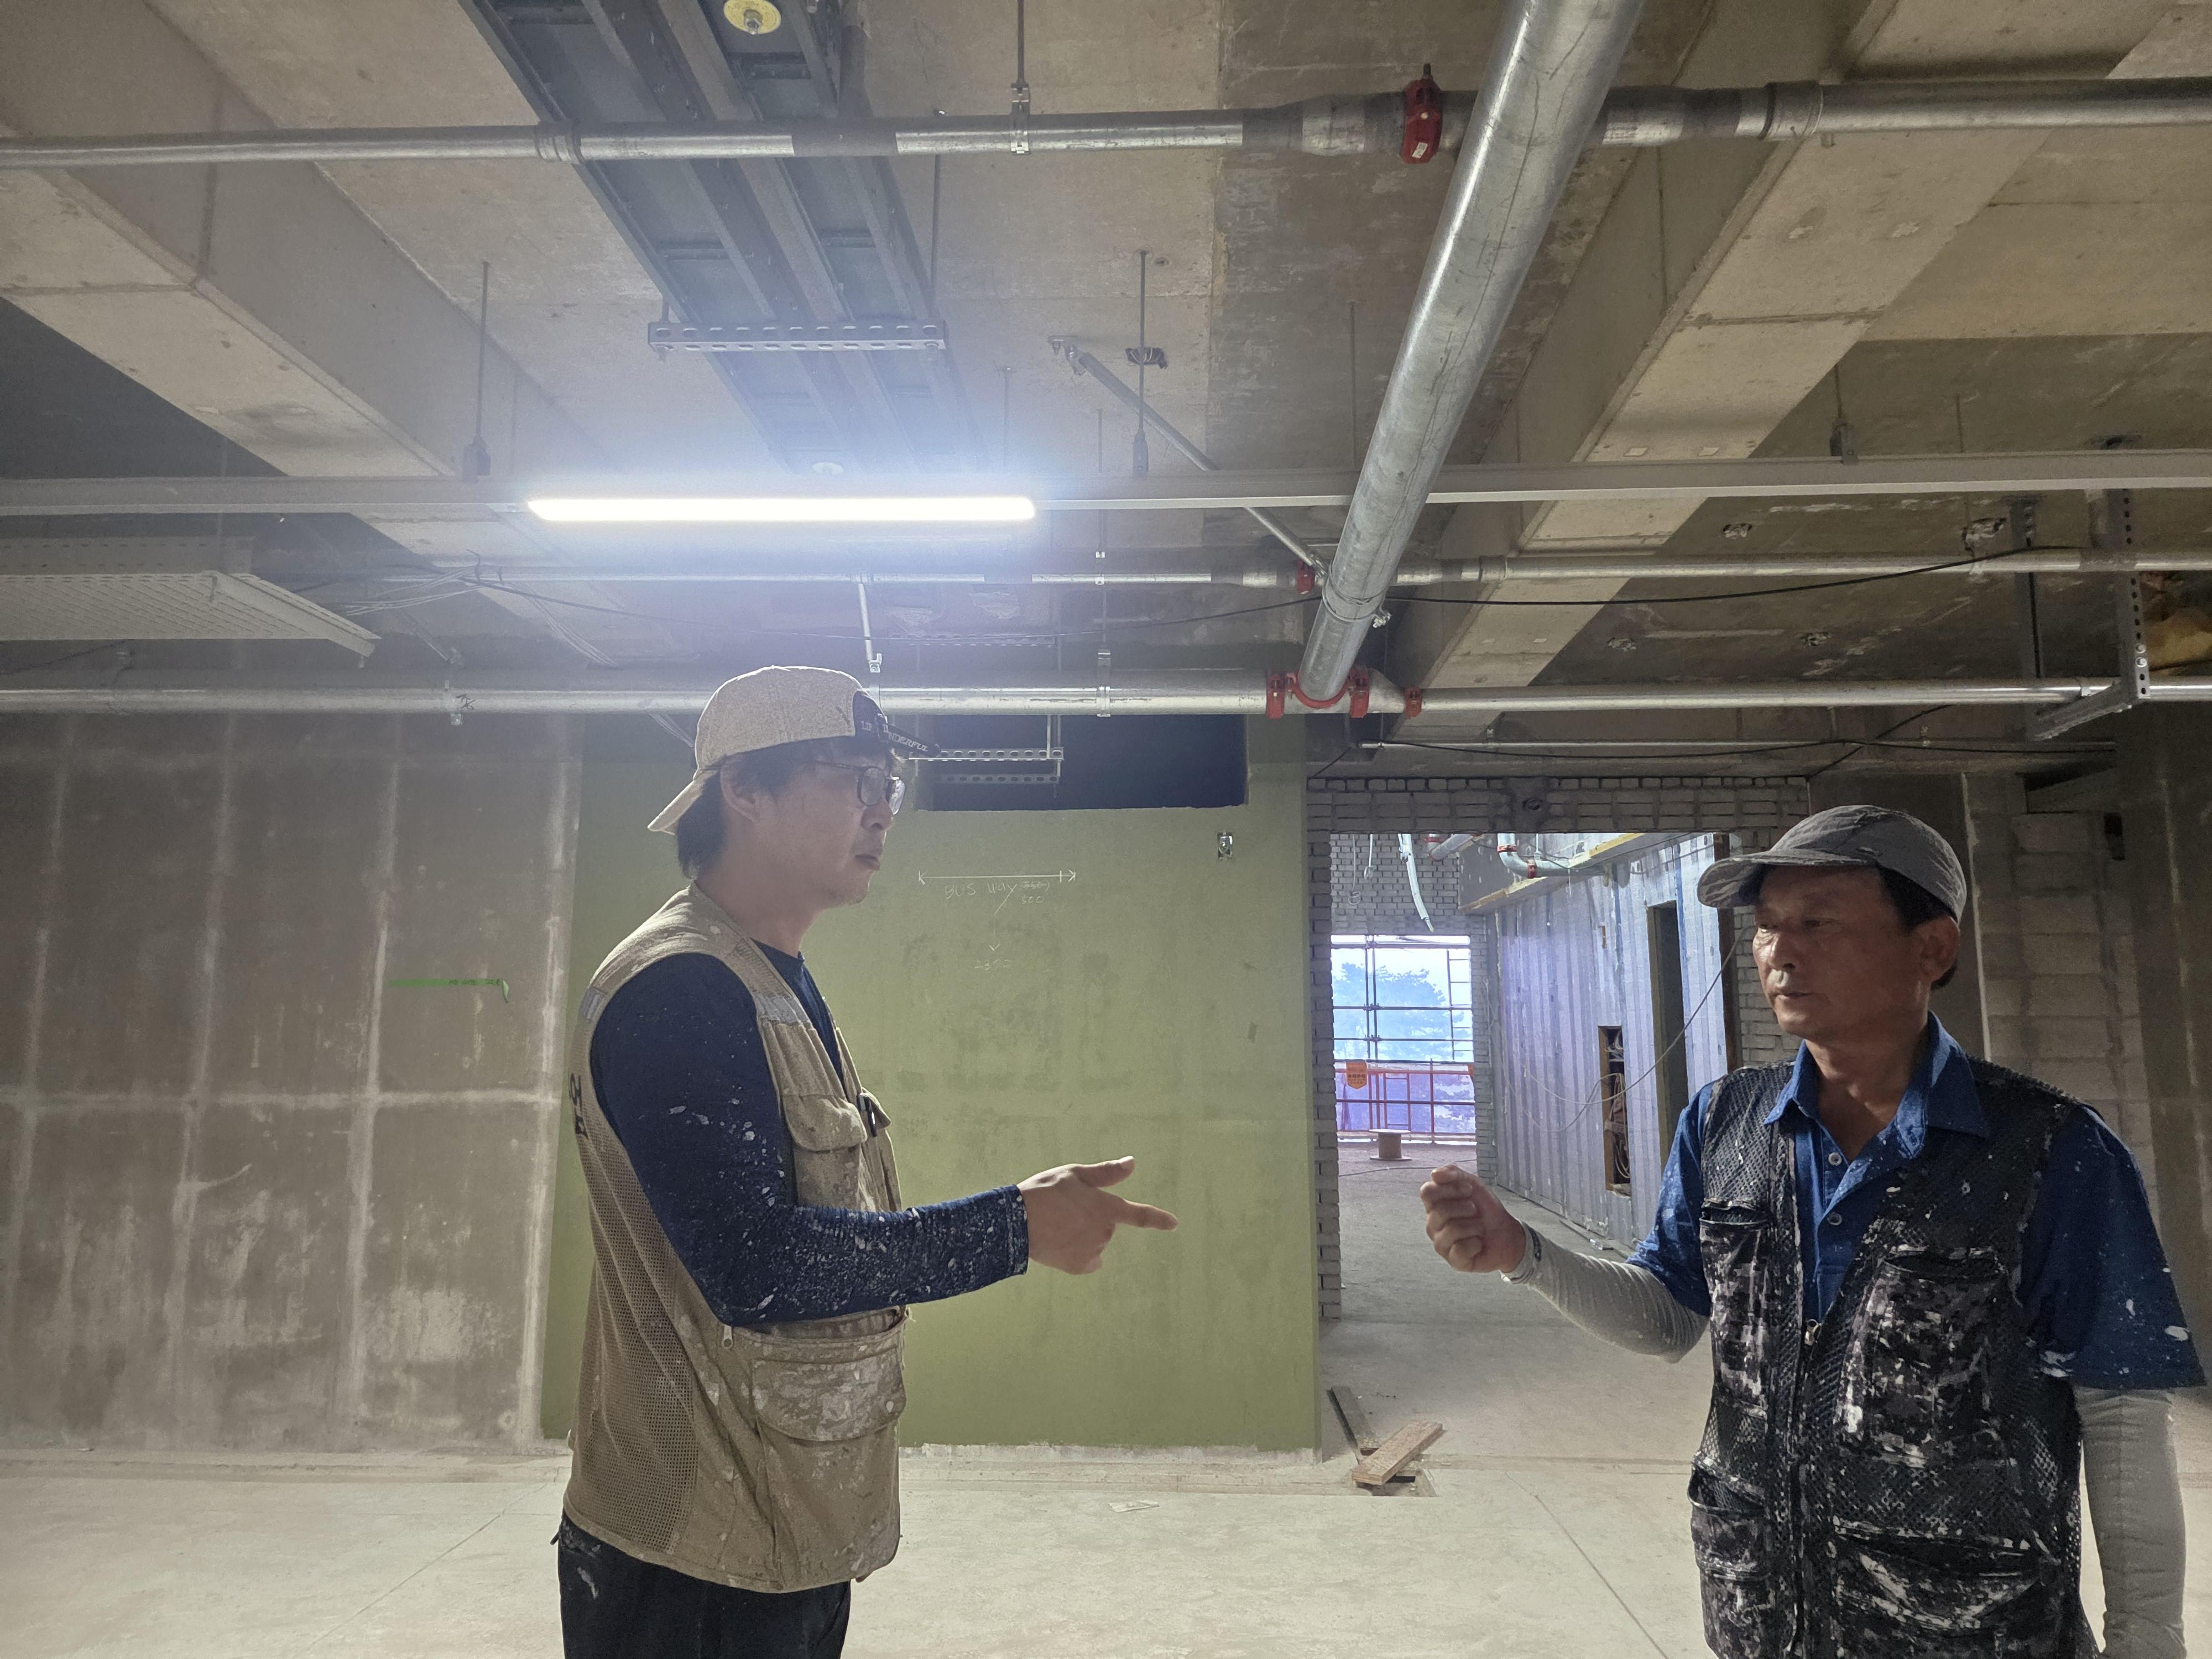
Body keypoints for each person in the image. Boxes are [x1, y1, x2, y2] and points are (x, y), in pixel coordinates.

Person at [1421, 804, 2200, 1659]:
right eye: (1767, 927)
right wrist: (1524, 1255)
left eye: (1819, 924)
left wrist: (2148, 1641)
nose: (1779, 953)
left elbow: (2121, 1417)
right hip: (1762, 1619)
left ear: (1932, 949)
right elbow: (1667, 1319)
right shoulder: (1725, 1122)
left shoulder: (2050, 1150)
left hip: (1968, 1630)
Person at [555, 665, 1177, 1659]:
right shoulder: (679, 990)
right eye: (853, 777)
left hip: (778, 1521)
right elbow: (753, 1265)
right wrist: (1012, 1229)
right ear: (744, 790)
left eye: (889, 784)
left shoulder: (770, 979)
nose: (883, 809)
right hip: (691, 1556)